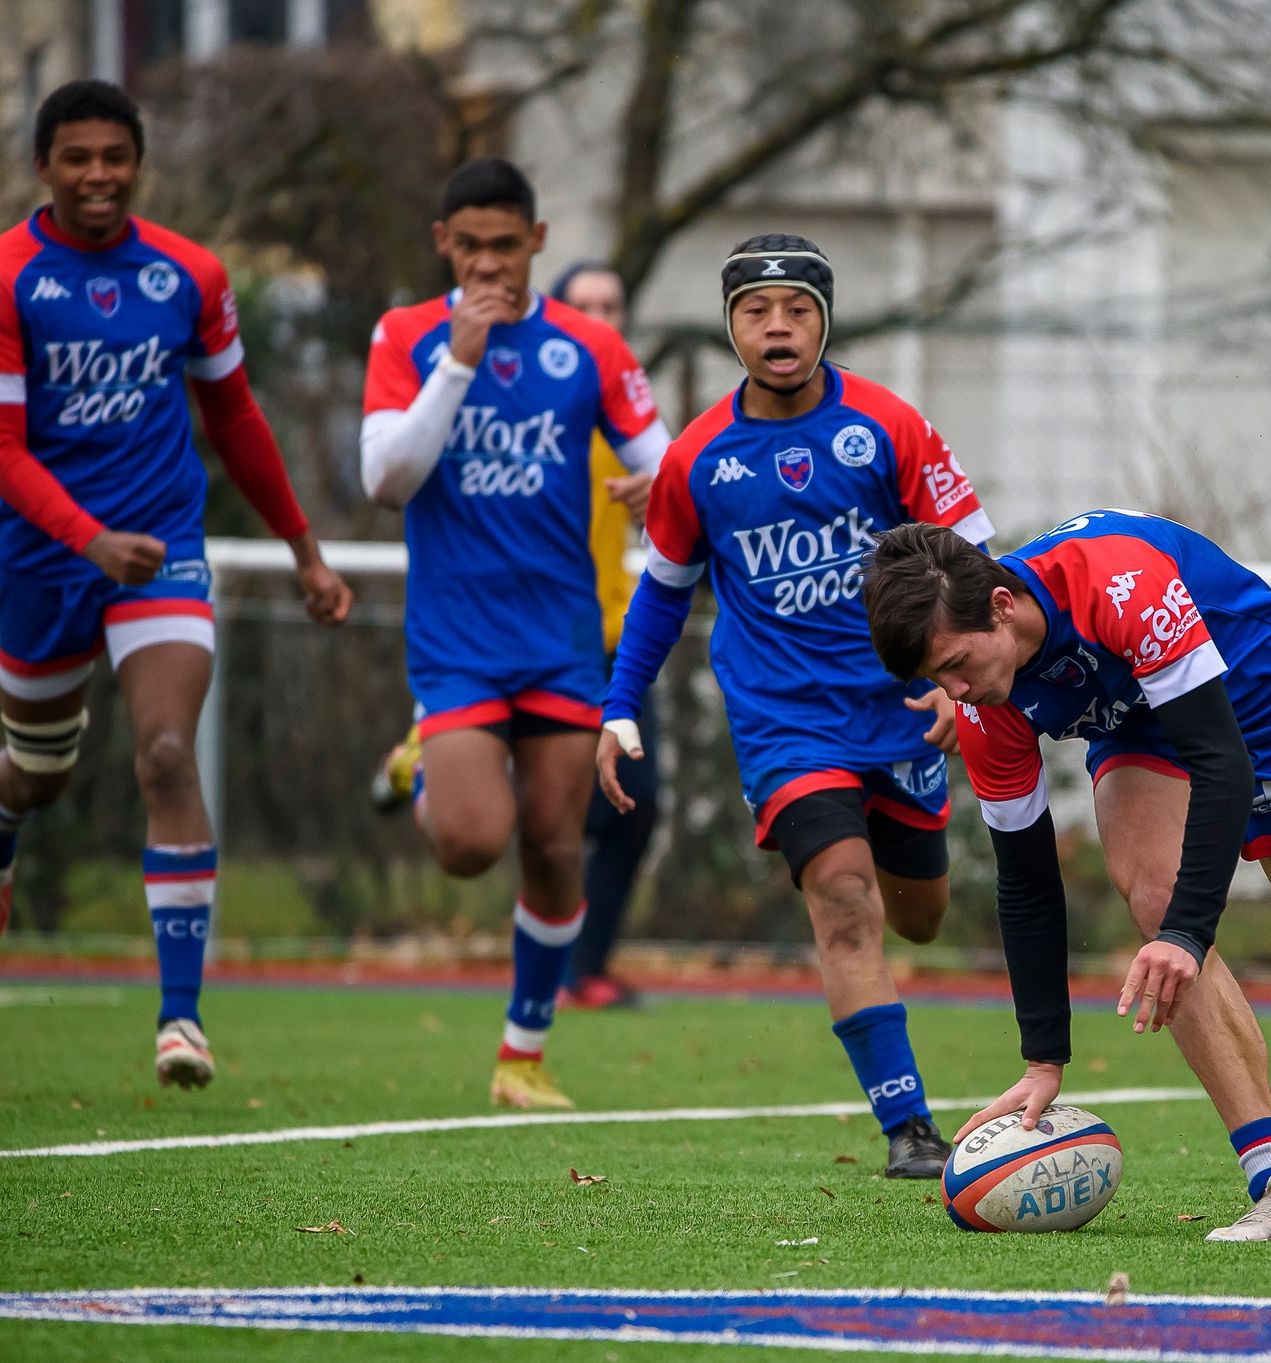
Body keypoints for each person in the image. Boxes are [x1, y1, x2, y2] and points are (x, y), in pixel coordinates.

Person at [861, 511, 1271, 1242]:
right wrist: (1044, 1058)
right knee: (1155, 895)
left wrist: (1189, 937)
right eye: (935, 677)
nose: (955, 692)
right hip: (1142, 723)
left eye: (956, 665)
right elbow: (1026, 877)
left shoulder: (1117, 585)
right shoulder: (988, 703)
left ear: (1002, 607)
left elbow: (1222, 762)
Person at [0, 80, 353, 1088]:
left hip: (163, 548)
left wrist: (303, 547)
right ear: (43, 166)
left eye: (115, 157)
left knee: (167, 752)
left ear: (138, 163)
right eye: (77, 157)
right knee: (39, 769)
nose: (98, 175)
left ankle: (181, 1019)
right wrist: (87, 538)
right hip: (50, 559)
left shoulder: (187, 274)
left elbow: (237, 418)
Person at [596, 234, 993, 1178]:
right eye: (756, 310)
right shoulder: (698, 457)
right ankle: (909, 1130)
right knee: (845, 900)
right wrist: (618, 704)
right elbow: (660, 592)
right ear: (732, 326)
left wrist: (957, 684)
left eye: (798, 308)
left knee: (922, 915)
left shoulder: (887, 426)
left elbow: (973, 559)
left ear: (825, 319)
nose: (779, 325)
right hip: (784, 722)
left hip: (897, 712)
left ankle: (876, 895)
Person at [359, 160, 673, 1109]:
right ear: (442, 242)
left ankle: (521, 1057)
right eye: (470, 245)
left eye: (506, 244)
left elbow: (663, 457)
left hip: (564, 638)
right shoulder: (408, 336)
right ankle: (427, 757)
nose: (489, 262)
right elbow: (386, 478)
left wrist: (661, 481)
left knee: (554, 839)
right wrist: (457, 359)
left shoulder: (589, 347)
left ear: (536, 241)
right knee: (468, 842)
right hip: (456, 640)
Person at [555, 260, 657, 1010]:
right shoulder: (530, 408)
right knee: (568, 808)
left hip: (615, 639)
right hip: (544, 637)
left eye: (610, 304)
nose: (599, 317)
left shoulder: (631, 417)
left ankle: (580, 966)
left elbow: (677, 497)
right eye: (582, 304)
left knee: (633, 802)